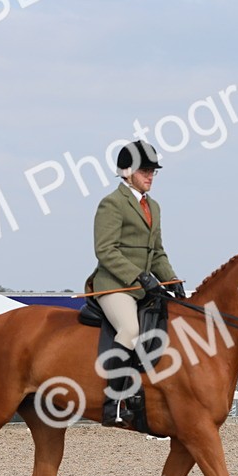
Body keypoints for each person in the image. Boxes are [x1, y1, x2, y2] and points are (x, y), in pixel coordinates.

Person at [87, 139, 185, 428]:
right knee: (130, 329)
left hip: (143, 287)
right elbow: (105, 250)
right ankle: (112, 403)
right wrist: (139, 276)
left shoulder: (153, 206)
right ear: (127, 172)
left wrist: (172, 280)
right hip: (114, 285)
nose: (150, 176)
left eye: (153, 171)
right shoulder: (112, 203)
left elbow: (157, 253)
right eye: (145, 171)